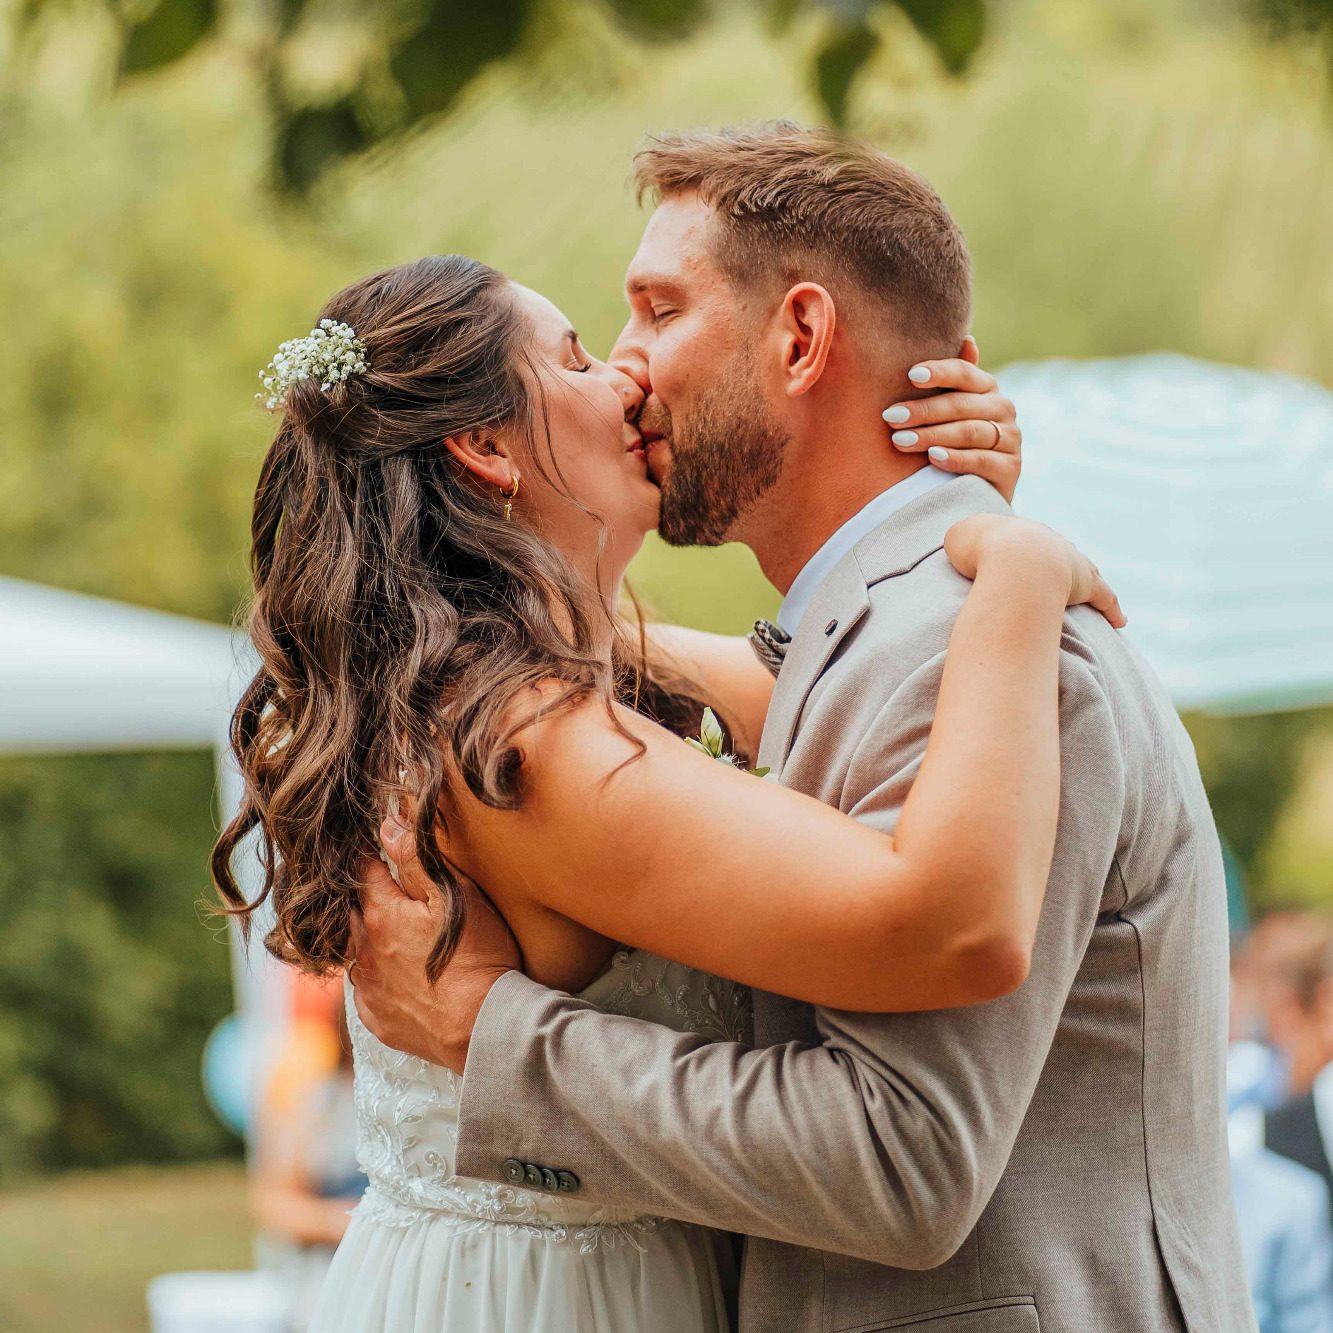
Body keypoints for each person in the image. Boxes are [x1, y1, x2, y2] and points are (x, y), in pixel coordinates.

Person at [348, 123, 1254, 1332]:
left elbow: (900, 1151)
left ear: (802, 337)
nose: (627, 371)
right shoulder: (537, 721)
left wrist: (496, 1041)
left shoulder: (977, 647)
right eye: (591, 348)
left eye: (656, 312)